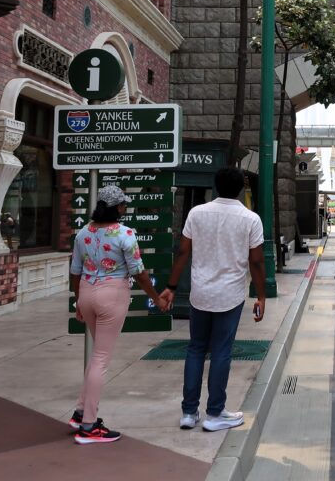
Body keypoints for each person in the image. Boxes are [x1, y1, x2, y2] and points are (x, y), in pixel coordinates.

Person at [160, 168, 266, 433]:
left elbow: (183, 251)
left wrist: (171, 286)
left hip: (200, 292)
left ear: (215, 186)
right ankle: (215, 412)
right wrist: (261, 295)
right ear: (241, 188)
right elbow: (256, 261)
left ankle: (188, 411)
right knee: (221, 351)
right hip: (229, 295)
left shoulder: (197, 213)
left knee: (195, 349)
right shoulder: (250, 219)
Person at [69, 185, 167, 444]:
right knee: (101, 357)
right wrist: (155, 298)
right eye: (123, 204)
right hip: (112, 294)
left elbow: (75, 270)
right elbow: (139, 271)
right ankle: (89, 426)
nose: (125, 207)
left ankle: (81, 412)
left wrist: (78, 300)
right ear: (115, 207)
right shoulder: (125, 234)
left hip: (87, 292)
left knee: (96, 355)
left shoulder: (83, 233)